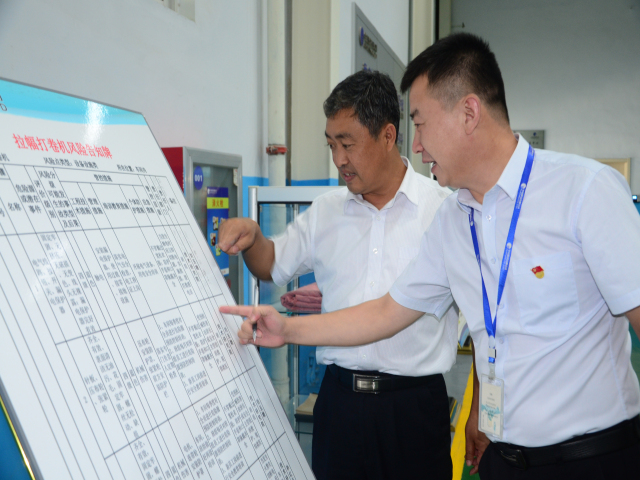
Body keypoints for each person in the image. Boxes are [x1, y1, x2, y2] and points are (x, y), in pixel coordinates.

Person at [222, 33, 640, 480]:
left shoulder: (584, 192)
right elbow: (387, 311)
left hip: (594, 460)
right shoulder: (454, 220)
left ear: (469, 114)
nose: (416, 145)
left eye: (420, 123)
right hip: (505, 462)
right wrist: (287, 329)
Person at [218, 70, 458, 480]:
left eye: (348, 144)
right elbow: (271, 264)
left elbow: (485, 318)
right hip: (339, 406)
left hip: (413, 411)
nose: (339, 159)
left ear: (387, 135)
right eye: (331, 145)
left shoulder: (442, 211)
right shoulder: (327, 211)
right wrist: (253, 238)